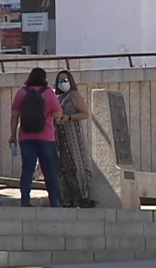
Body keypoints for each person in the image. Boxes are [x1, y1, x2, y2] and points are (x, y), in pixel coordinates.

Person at [9, 67, 62, 207]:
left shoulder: (22, 93)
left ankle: (25, 200)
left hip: (25, 137)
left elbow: (14, 116)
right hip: (46, 137)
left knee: (27, 168)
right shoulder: (49, 93)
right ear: (44, 79)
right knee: (49, 169)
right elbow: (58, 115)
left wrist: (12, 135)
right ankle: (54, 201)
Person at [54, 70, 96, 208]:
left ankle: (83, 195)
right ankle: (69, 197)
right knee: (64, 166)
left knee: (76, 163)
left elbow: (85, 113)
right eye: (60, 80)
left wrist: (70, 117)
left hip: (73, 135)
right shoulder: (58, 97)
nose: (62, 83)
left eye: (65, 80)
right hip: (61, 135)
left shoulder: (74, 95)